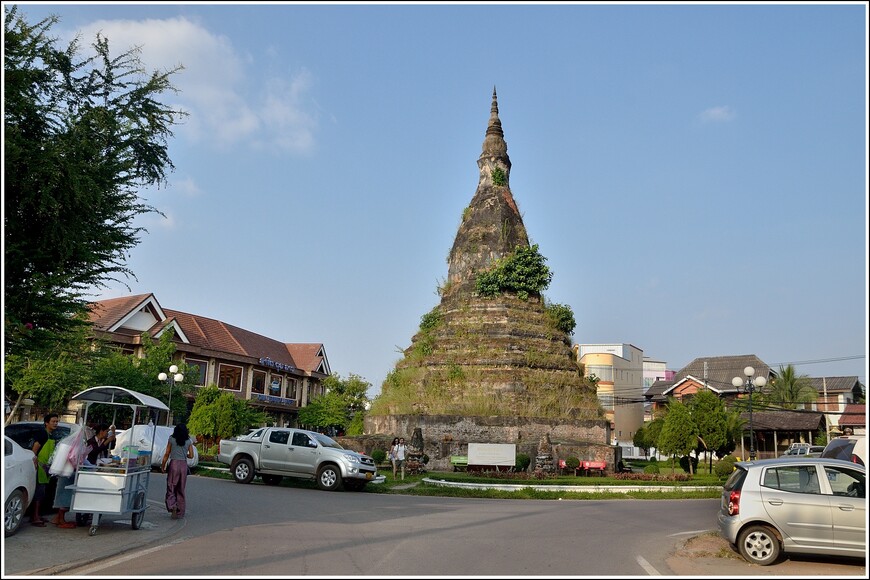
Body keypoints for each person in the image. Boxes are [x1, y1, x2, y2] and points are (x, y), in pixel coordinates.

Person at [29, 413, 61, 527]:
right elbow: (35, 448)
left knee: (42, 493)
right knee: (38, 493)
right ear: (46, 423)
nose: (55, 423)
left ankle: (37, 515)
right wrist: (34, 460)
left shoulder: (50, 435)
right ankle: (35, 517)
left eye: (57, 421)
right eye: (53, 421)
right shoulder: (42, 434)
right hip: (40, 468)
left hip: (46, 468)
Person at [161, 423, 194, 519]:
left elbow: (167, 453)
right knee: (181, 488)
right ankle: (180, 510)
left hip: (174, 464)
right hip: (183, 465)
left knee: (171, 486)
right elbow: (191, 455)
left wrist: (163, 466)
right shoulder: (188, 441)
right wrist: (185, 455)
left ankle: (172, 506)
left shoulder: (171, 439)